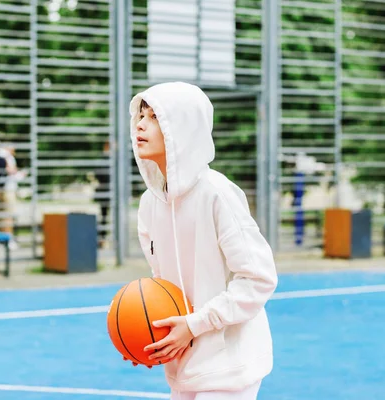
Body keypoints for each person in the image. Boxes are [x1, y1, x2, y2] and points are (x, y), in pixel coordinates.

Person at [130, 82, 278, 399]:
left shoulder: (217, 194)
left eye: (154, 116)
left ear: (181, 127)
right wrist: (144, 335)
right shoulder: (149, 204)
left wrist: (197, 324)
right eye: (141, 115)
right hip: (186, 365)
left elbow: (259, 279)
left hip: (230, 367)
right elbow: (165, 289)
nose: (140, 124)